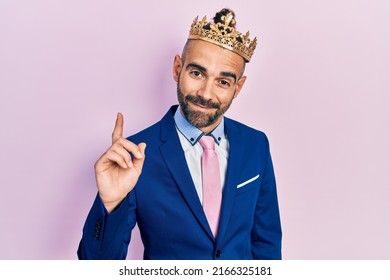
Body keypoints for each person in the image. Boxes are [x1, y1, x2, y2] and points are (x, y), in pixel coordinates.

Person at [78, 8, 282, 260]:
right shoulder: (135, 154)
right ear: (178, 68)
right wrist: (110, 205)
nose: (206, 94)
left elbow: (267, 244)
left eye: (223, 82)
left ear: (238, 87)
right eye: (197, 73)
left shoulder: (256, 145)